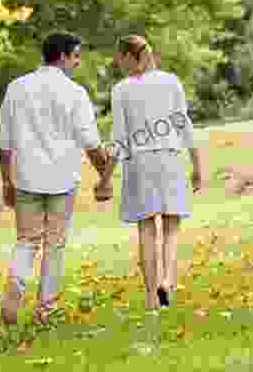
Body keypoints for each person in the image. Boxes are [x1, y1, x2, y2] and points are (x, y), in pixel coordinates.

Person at [0, 32, 112, 325]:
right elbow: (91, 142)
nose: (77, 62)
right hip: (62, 179)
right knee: (54, 244)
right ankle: (45, 311)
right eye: (75, 56)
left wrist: (6, 182)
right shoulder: (75, 93)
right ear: (61, 56)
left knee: (26, 241)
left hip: (25, 178)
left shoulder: (17, 88)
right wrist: (105, 177)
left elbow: (5, 142)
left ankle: (15, 289)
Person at [95, 35, 202, 311]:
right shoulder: (171, 82)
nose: (121, 66)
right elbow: (184, 126)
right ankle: (167, 280)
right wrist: (197, 166)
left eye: (122, 60)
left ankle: (151, 298)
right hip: (169, 159)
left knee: (146, 229)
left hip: (139, 164)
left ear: (132, 57)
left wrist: (105, 180)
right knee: (171, 228)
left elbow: (119, 139)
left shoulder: (121, 90)